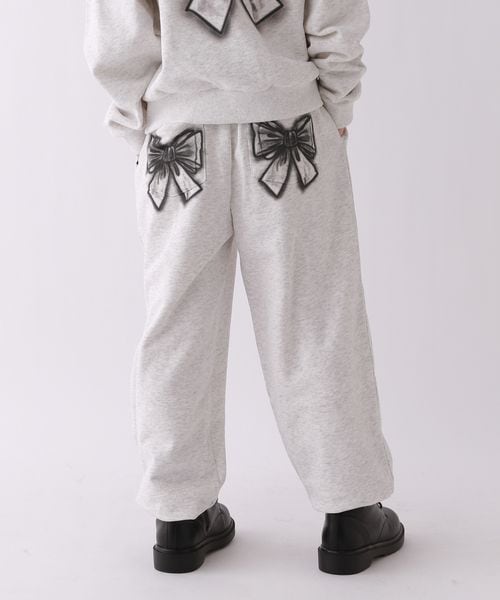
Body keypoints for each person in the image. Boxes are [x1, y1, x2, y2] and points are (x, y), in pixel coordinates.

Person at [84, 0, 404, 575]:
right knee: (313, 319)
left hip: (177, 141)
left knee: (177, 328)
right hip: (291, 126)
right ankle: (351, 511)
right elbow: (334, 16)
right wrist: (336, 101)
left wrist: (141, 120)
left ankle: (180, 516)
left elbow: (117, 38)